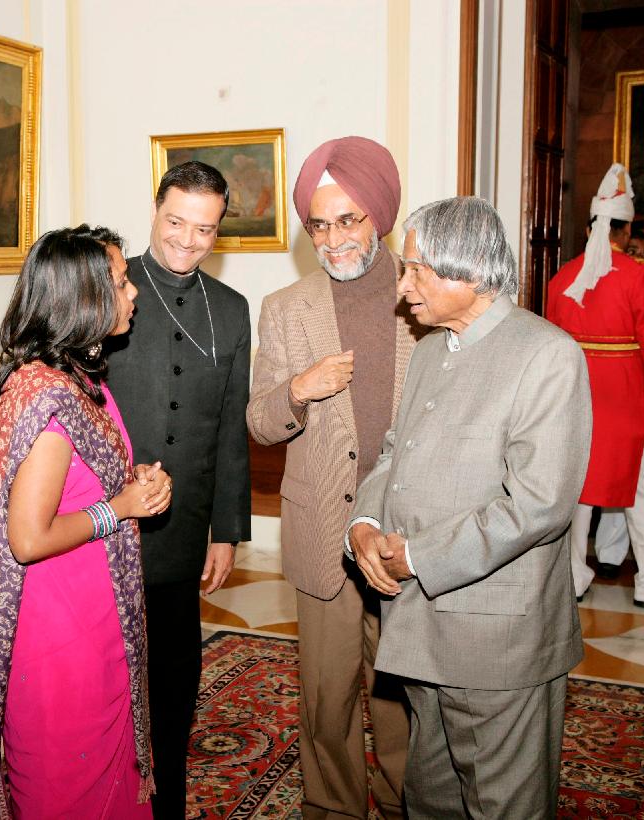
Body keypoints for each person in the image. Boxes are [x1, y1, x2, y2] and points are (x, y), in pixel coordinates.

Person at [348, 196, 591, 819]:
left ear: (470, 272)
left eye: (415, 270)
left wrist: (417, 557)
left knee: (504, 804)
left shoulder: (546, 354)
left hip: (496, 640)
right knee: (431, 796)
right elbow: (396, 452)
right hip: (421, 625)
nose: (403, 288)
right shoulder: (431, 349)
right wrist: (365, 524)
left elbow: (538, 505)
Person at [0, 226, 172, 818]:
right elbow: (27, 539)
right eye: (120, 282)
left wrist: (137, 483)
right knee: (67, 782)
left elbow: (87, 480)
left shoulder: (79, 379)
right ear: (83, 297)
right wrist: (120, 508)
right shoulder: (47, 395)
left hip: (100, 609)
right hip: (61, 631)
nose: (132, 293)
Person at [247, 136, 416, 820]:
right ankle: (335, 808)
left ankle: (405, 803)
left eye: (349, 220)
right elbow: (259, 422)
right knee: (326, 695)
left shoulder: (425, 293)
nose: (333, 238)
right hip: (323, 530)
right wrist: (298, 389)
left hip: (406, 533)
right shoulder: (287, 307)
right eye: (318, 224)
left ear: (381, 215)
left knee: (403, 695)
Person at [103, 160, 252, 817]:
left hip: (183, 535)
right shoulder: (110, 289)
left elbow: (230, 428)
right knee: (106, 690)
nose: (188, 240)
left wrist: (227, 531)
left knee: (173, 690)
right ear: (155, 211)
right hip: (105, 528)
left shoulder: (232, 310)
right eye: (176, 222)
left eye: (205, 229)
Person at [546, 163, 644, 612]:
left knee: (576, 494)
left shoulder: (563, 278)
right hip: (628, 405)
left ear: (590, 228)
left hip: (575, 401)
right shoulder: (641, 275)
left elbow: (549, 347)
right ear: (627, 228)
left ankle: (572, 580)